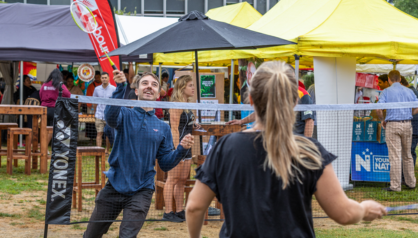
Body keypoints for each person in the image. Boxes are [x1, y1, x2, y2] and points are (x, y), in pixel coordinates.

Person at [186, 61, 386, 238]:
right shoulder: (309, 150)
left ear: (252, 100)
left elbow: (194, 207)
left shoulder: (225, 146)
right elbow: (344, 213)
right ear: (294, 102)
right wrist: (363, 209)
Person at [83, 70, 195, 238]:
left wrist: (181, 150)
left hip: (142, 190)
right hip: (114, 185)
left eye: (154, 84)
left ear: (158, 94)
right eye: (145, 83)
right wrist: (120, 87)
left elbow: (164, 163)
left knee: (127, 236)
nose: (149, 87)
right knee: (91, 235)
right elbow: (110, 116)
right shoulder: (125, 114)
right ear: (136, 90)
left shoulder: (162, 127)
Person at [227, 66, 315, 137]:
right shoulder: (275, 92)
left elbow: (309, 121)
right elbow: (262, 112)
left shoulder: (302, 94)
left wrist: (306, 143)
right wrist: (241, 121)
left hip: (297, 140)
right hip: (279, 141)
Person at [163, 75, 199, 222]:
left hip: (188, 146)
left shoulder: (187, 104)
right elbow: (174, 129)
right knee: (172, 179)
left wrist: (194, 124)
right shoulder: (176, 104)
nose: (193, 88)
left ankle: (179, 210)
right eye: (190, 85)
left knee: (182, 179)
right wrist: (177, 149)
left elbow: (187, 123)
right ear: (182, 87)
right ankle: (168, 212)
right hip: (178, 146)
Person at [377, 70, 418, 192]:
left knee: (395, 156)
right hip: (407, 124)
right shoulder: (409, 91)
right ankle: (411, 183)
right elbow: (417, 107)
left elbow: (379, 109)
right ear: (400, 79)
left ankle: (395, 186)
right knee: (408, 155)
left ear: (389, 80)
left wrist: (382, 120)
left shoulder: (386, 92)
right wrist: (409, 114)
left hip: (393, 125)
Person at [39, 69, 71, 143]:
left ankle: (42, 146)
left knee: (43, 128)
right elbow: (68, 95)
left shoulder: (44, 84)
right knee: (52, 129)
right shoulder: (60, 85)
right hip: (54, 109)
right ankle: (44, 146)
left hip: (43, 109)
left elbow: (40, 95)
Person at [93, 72, 116, 148]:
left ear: (109, 78)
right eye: (102, 78)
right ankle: (98, 151)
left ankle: (106, 151)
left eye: (105, 77)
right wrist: (95, 113)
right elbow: (94, 102)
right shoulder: (97, 89)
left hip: (109, 116)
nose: (104, 79)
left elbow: (116, 103)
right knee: (99, 133)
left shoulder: (113, 89)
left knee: (108, 134)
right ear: (100, 79)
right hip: (99, 115)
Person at [400, 77, 418, 167]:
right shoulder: (412, 91)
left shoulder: (410, 92)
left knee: (409, 152)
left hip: (413, 128)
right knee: (409, 152)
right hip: (412, 127)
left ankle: (406, 178)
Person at [85, 71, 102, 145]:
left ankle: (102, 139)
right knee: (90, 122)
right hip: (92, 106)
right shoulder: (90, 86)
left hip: (101, 106)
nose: (97, 78)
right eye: (96, 77)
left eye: (98, 77)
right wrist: (89, 106)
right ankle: (91, 139)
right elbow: (88, 97)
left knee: (101, 122)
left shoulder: (104, 85)